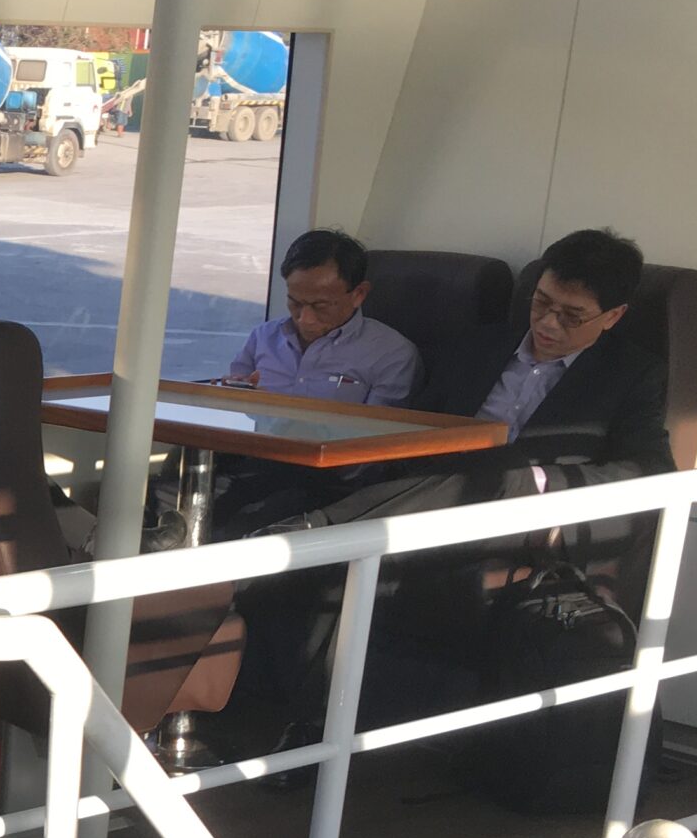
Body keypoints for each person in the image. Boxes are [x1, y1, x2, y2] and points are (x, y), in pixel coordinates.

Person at [238, 227, 667, 732]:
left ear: (613, 316)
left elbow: (650, 472)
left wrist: (539, 481)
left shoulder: (632, 375)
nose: (548, 323)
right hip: (431, 493)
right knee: (348, 557)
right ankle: (291, 720)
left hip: (522, 516)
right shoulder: (478, 346)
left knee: (494, 473)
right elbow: (413, 433)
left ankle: (314, 533)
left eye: (571, 316)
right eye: (541, 303)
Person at [223, 229, 418, 406]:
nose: (305, 319)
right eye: (295, 302)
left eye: (320, 306)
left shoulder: (391, 355)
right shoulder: (263, 337)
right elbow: (233, 402)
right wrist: (235, 393)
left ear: (359, 294)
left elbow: (377, 429)